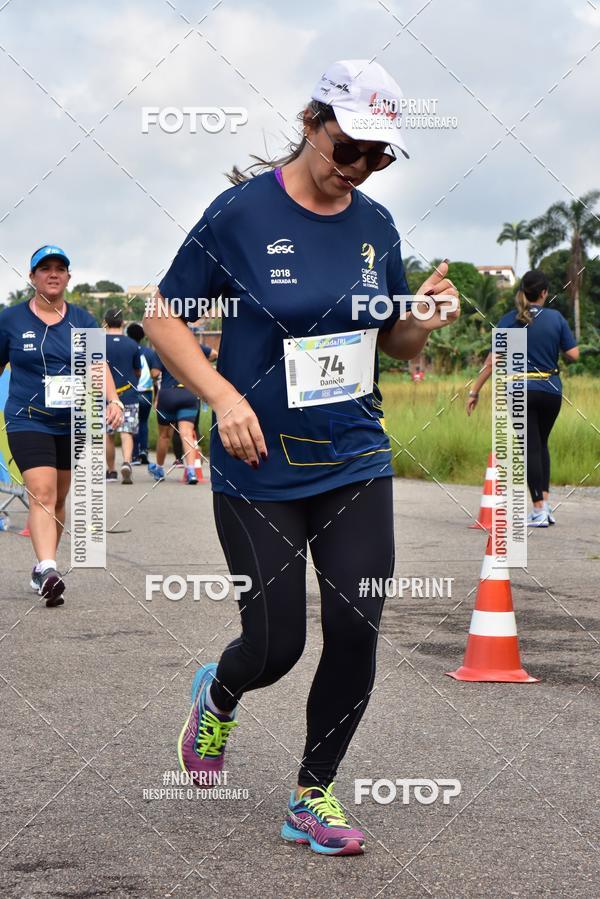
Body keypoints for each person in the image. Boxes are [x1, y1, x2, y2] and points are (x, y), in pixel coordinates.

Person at [145, 60, 459, 855]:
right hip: (259, 464)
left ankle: (312, 793)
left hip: (354, 454)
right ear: (313, 123)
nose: (360, 166)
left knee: (357, 623)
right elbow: (162, 316)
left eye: (379, 155)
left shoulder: (377, 225)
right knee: (275, 645)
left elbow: (392, 338)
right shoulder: (241, 214)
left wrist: (421, 317)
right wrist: (223, 397)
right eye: (349, 147)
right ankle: (220, 692)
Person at [0, 245, 123, 605]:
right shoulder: (10, 320)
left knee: (58, 498)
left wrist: (113, 400)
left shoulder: (83, 320)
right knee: (42, 492)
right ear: (32, 277)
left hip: (72, 422)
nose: (53, 274)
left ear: (68, 277)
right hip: (27, 419)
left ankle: (42, 568)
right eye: (45, 268)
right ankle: (49, 568)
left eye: (60, 268)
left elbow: (98, 365)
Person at [467, 269, 579, 526]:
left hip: (519, 391)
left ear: (522, 292)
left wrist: (474, 391)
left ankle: (539, 510)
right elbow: (573, 354)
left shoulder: (508, 320)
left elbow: (492, 362)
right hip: (551, 390)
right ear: (544, 293)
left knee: (530, 447)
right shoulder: (556, 318)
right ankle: (544, 507)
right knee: (541, 445)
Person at [148, 352, 205, 484]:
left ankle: (159, 469)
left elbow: (155, 373)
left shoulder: (161, 349)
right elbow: (213, 355)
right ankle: (191, 471)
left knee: (164, 436)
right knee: (187, 434)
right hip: (189, 393)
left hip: (168, 394)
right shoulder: (193, 348)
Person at [104, 309, 142, 484]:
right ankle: (126, 462)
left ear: (105, 323)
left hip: (106, 397)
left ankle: (111, 470)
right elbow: (138, 371)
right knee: (127, 432)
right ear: (122, 322)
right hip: (128, 394)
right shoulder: (132, 344)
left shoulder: (98, 343)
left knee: (108, 434)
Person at [171, 340, 217, 467]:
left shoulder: (168, 345)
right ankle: (197, 454)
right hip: (192, 392)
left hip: (174, 391)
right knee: (193, 427)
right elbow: (214, 354)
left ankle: (179, 459)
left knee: (177, 428)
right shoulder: (194, 346)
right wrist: (202, 364)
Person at [126, 322, 160, 465]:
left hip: (131, 392)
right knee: (143, 422)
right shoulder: (150, 352)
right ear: (143, 336)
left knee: (132, 424)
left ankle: (134, 456)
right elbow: (156, 372)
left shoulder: (127, 350)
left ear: (128, 335)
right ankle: (143, 451)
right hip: (146, 393)